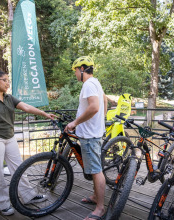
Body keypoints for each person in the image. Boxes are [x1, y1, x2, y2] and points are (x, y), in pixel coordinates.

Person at [0, 70, 56, 216]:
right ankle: (2, 204)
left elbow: (26, 107)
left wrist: (45, 114)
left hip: (10, 138)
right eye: (5, 80)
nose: (7, 83)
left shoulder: (8, 98)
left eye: (8, 80)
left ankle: (27, 195)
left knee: (19, 167)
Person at [65, 56, 107, 220]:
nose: (75, 74)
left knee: (96, 171)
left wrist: (75, 122)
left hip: (90, 135)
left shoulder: (88, 84)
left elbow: (94, 107)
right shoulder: (95, 82)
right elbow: (103, 100)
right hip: (93, 132)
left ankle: (100, 208)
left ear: (82, 69)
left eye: (75, 70)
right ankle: (96, 197)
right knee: (95, 168)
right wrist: (101, 123)